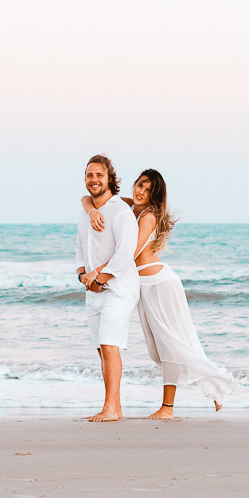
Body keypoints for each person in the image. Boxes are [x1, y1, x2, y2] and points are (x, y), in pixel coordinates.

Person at [81, 169, 236, 420]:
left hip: (160, 284)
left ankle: (180, 402)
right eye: (140, 185)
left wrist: (97, 274)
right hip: (142, 286)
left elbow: (129, 252)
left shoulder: (149, 215)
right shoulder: (130, 207)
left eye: (148, 189)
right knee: (161, 348)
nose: (141, 191)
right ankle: (199, 392)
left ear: (155, 196)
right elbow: (88, 198)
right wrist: (92, 210)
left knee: (173, 342)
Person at [74, 155, 140, 422]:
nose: (94, 180)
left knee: (109, 345)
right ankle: (116, 407)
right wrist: (83, 277)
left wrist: (99, 279)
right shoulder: (85, 213)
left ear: (110, 178)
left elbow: (124, 255)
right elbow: (80, 252)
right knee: (102, 350)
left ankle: (109, 408)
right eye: (90, 175)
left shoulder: (121, 212)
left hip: (119, 288)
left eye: (99, 175)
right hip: (93, 290)